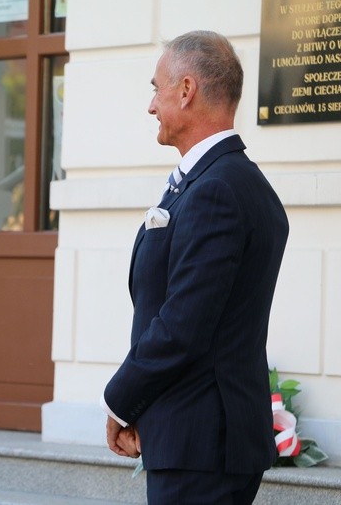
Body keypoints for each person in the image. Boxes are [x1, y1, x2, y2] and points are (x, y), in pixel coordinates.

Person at [101, 31, 289, 504]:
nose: (150, 106)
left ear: (186, 91)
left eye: (155, 88)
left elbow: (184, 324)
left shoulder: (217, 190)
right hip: (200, 438)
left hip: (201, 443)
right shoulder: (223, 181)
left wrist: (120, 401)